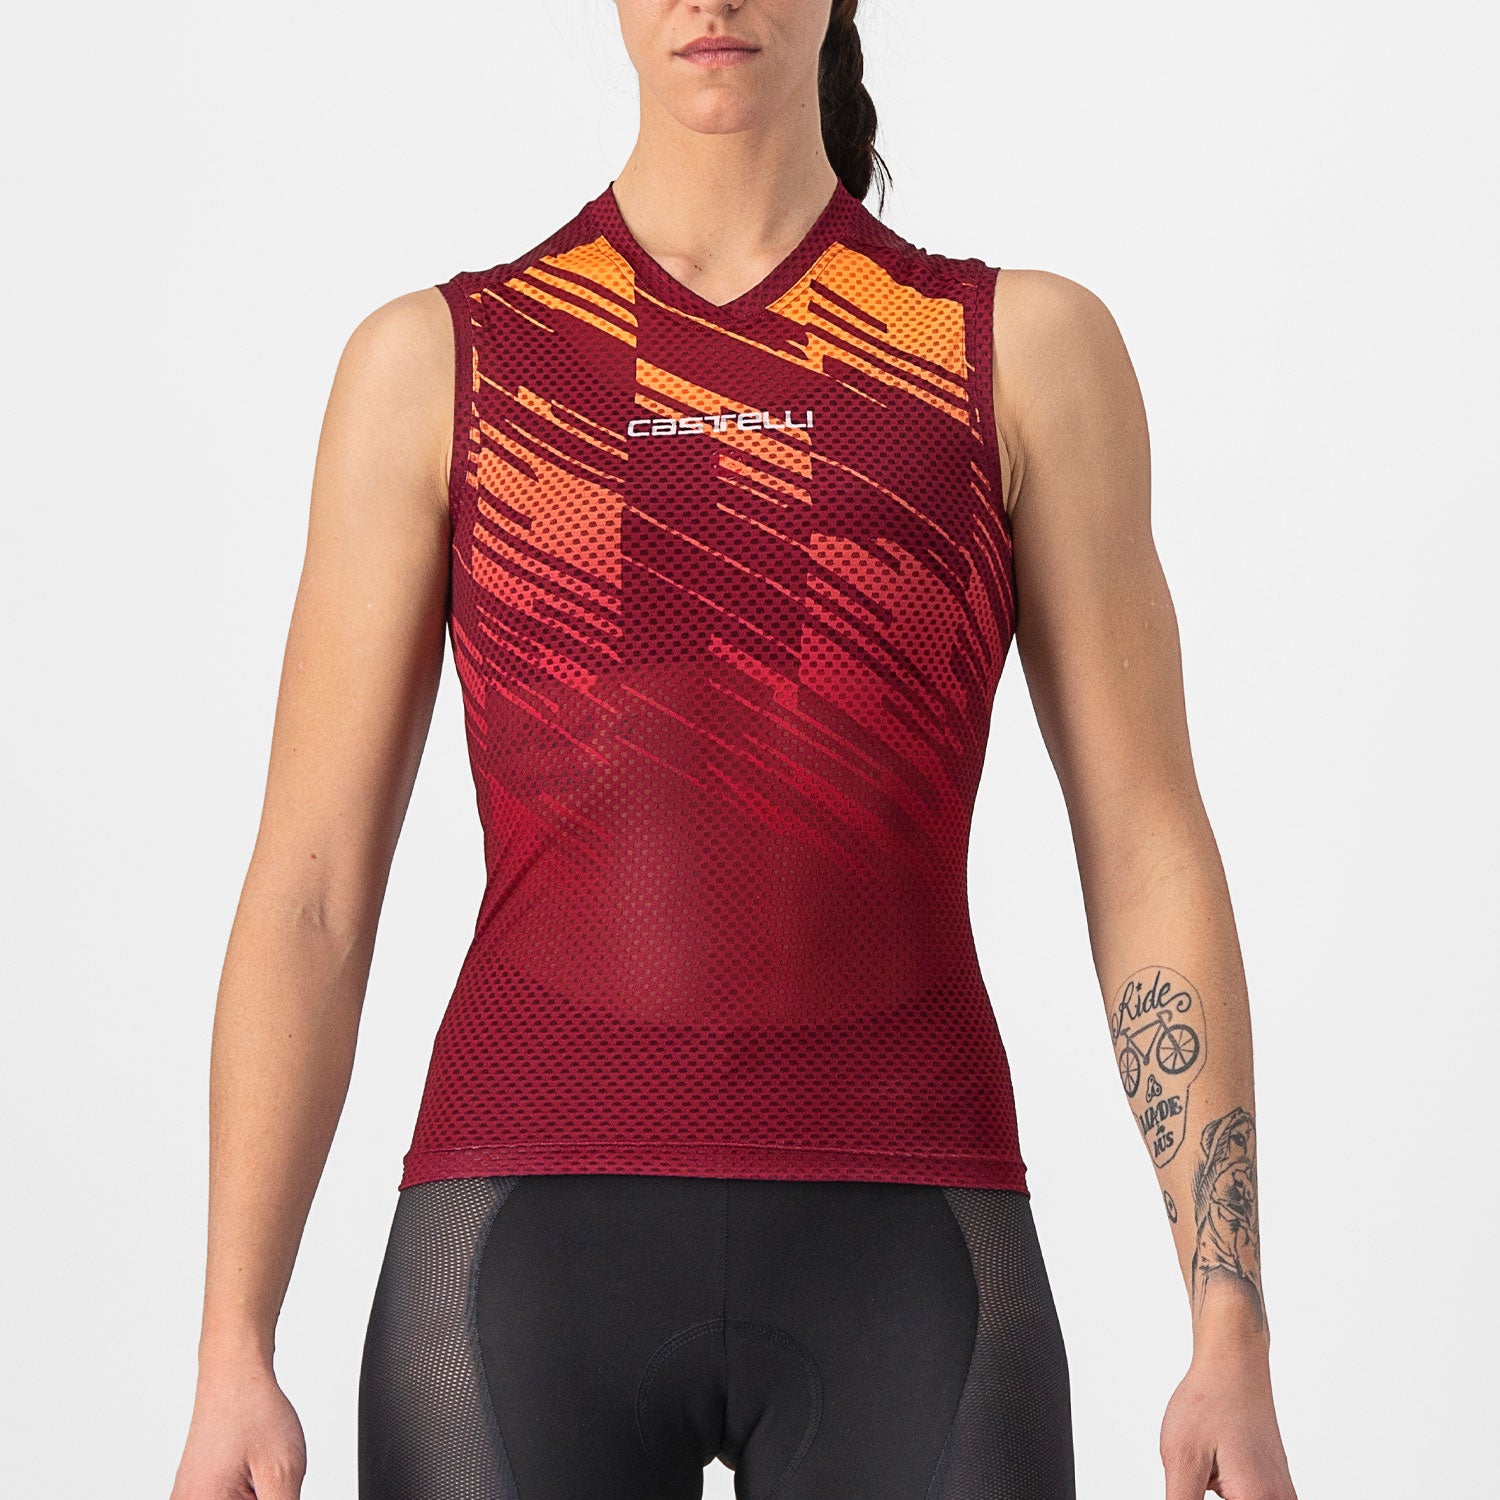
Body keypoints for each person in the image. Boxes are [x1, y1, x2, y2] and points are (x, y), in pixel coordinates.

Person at [169, 3, 1299, 1498]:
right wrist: (231, 1347)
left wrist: (1229, 1326)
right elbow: (312, 891)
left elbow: (1148, 848)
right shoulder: (440, 365)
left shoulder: (1019, 354)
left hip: (911, 1254)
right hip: (521, 1260)